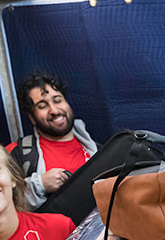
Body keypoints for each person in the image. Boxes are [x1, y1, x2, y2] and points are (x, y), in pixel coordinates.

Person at [8, 73, 98, 208]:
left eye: (57, 100)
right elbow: (0, 202)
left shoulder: (99, 151)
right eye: (42, 106)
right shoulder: (17, 153)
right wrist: (39, 185)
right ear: (32, 117)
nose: (54, 110)